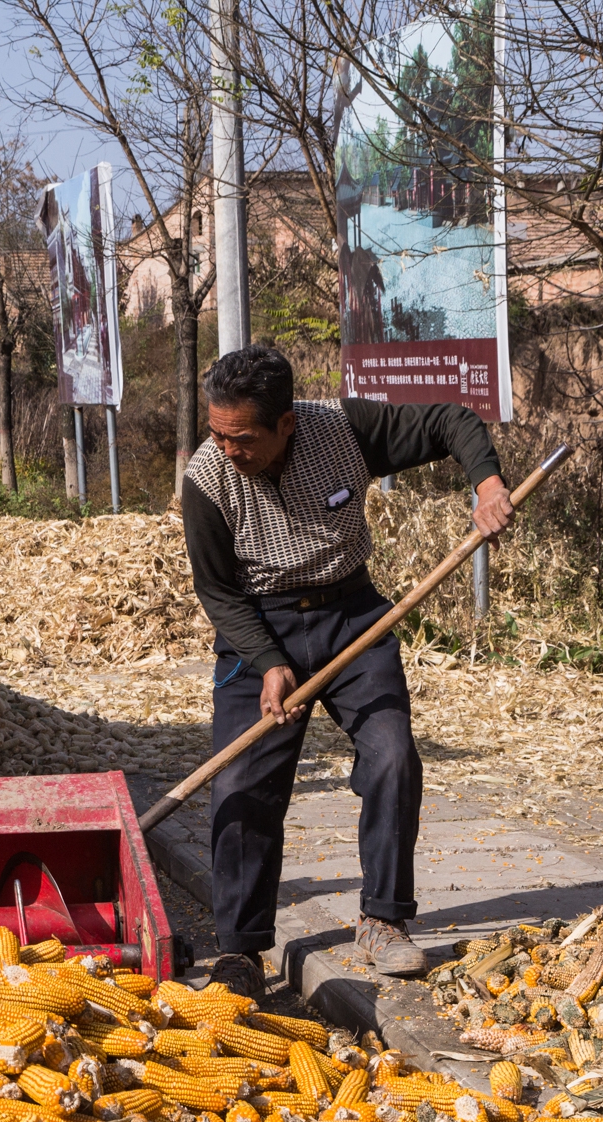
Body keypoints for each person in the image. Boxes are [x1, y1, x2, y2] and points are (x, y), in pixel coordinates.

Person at [180, 345, 514, 996]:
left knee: (392, 755)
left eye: (241, 438)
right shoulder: (205, 480)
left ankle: (383, 920)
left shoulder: (341, 427)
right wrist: (270, 663)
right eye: (216, 433)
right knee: (243, 786)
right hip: (259, 625)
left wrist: (489, 484)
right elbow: (218, 592)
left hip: (353, 617)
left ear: (286, 424)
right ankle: (241, 952)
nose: (227, 449)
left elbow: (452, 421)